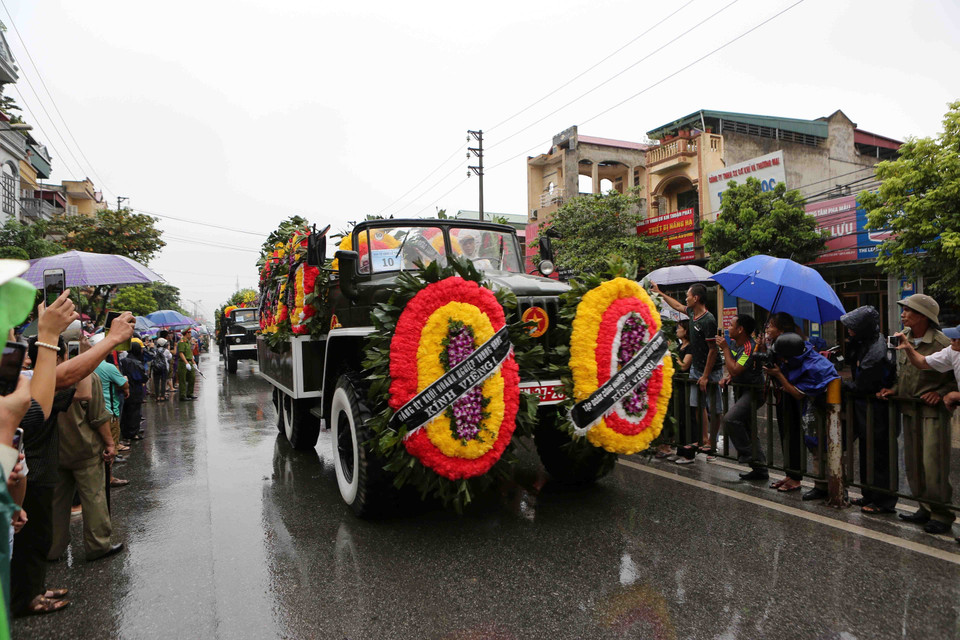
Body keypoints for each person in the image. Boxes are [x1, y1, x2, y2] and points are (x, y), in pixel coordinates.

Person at [879, 295, 957, 535]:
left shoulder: (944, 342)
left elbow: (955, 377)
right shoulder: (905, 338)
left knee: (932, 465)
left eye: (908, 310)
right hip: (910, 410)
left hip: (933, 412)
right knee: (913, 465)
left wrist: (941, 392)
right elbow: (904, 371)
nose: (903, 314)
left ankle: (941, 514)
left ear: (923, 316)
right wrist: (894, 389)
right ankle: (924, 507)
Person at [49, 368, 123, 562]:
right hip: (85, 448)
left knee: (57, 501)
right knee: (94, 497)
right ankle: (98, 545)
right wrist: (109, 443)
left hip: (55, 449)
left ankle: (53, 547)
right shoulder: (86, 375)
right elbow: (98, 415)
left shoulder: (39, 375)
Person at [763, 327, 839, 495]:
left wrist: (779, 375)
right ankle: (822, 486)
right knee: (816, 446)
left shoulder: (815, 366)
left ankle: (835, 489)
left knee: (826, 447)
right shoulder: (800, 354)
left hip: (828, 409)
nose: (782, 361)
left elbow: (797, 393)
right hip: (814, 406)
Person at [841, 306, 898, 514]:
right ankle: (869, 494)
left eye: (853, 327)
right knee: (867, 451)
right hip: (865, 408)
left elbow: (864, 384)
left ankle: (883, 500)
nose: (849, 331)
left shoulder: (877, 349)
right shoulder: (864, 343)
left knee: (880, 454)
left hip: (878, 409)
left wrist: (840, 384)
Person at [652, 282, 721, 453]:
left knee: (715, 407)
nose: (686, 298)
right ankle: (703, 438)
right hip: (696, 368)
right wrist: (660, 293)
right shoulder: (691, 313)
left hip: (711, 369)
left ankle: (712, 441)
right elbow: (677, 305)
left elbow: (713, 350)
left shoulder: (709, 320)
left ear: (696, 298)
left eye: (688, 295)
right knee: (697, 405)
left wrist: (705, 376)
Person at [716, 314, 768, 479]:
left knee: (730, 419)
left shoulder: (749, 348)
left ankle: (748, 455)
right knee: (749, 430)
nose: (728, 328)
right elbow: (735, 367)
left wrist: (724, 349)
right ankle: (760, 470)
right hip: (742, 389)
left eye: (731, 325)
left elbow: (736, 368)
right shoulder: (734, 344)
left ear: (740, 329)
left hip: (753, 392)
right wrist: (728, 378)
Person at [657, 321, 693, 459]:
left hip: (685, 386)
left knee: (684, 419)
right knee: (677, 417)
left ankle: (686, 452)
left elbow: (683, 366)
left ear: (686, 331)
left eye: (679, 328)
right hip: (676, 385)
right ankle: (678, 449)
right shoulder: (679, 346)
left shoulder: (690, 347)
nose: (677, 330)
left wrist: (670, 353)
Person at [118, 341, 146, 443]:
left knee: (126, 412)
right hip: (135, 390)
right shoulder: (136, 363)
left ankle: (126, 432)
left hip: (126, 389)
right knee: (134, 412)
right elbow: (141, 377)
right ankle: (132, 433)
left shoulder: (124, 360)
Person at [178, 328, 198, 401]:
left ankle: (190, 393)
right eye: (190, 333)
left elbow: (190, 353)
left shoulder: (188, 342)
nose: (191, 334)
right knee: (182, 380)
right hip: (183, 363)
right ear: (187, 333)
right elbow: (181, 353)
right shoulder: (182, 342)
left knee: (192, 377)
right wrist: (186, 363)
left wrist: (194, 363)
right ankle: (183, 396)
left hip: (189, 361)